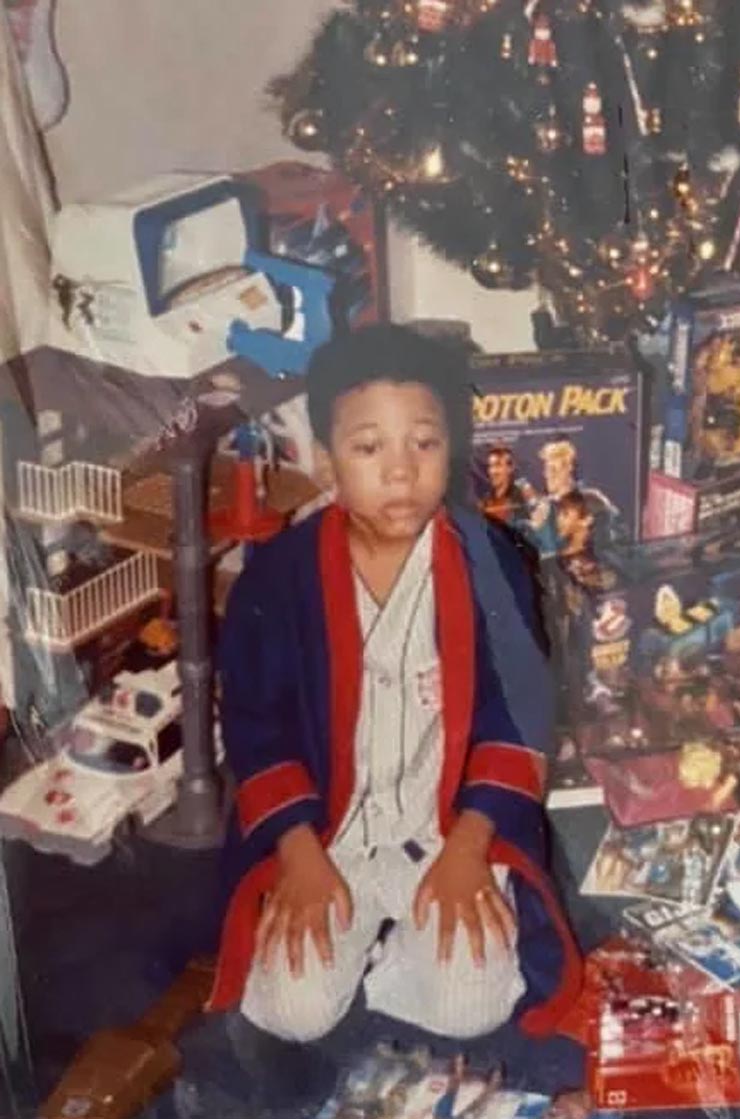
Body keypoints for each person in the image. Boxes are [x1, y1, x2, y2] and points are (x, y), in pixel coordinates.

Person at [207, 326, 581, 1061]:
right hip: (329, 833)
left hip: (445, 825)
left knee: (470, 1005)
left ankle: (405, 950)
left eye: (424, 444)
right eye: (369, 448)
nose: (401, 473)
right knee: (292, 1009)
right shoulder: (278, 577)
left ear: (454, 446)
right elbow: (256, 724)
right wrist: (301, 854)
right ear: (325, 460)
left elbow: (522, 709)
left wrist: (472, 847)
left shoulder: (492, 562)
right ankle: (365, 942)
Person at [479, 445, 531, 526]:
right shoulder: (485, 501)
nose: (493, 471)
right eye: (490, 466)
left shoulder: (522, 499)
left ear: (510, 468)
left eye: (498, 465)